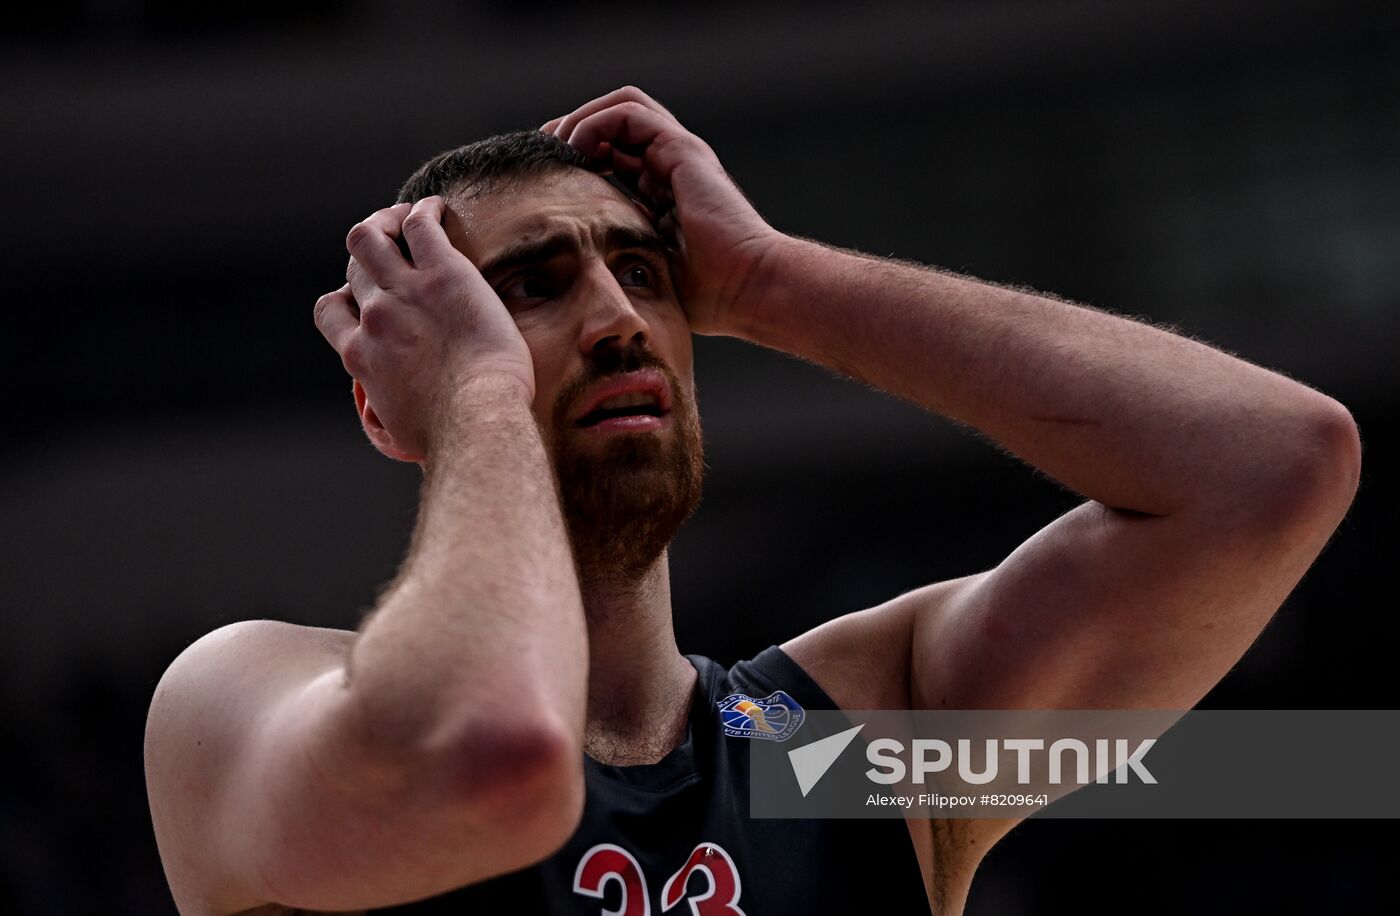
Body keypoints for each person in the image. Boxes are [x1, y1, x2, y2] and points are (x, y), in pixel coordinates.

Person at [143, 86, 1362, 915]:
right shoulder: (237, 700)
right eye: (527, 285)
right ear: (389, 398)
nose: (619, 317)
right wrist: (474, 390)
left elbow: (1271, 466)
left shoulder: (841, 753)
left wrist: (773, 283)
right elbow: (495, 755)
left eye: (640, 273)